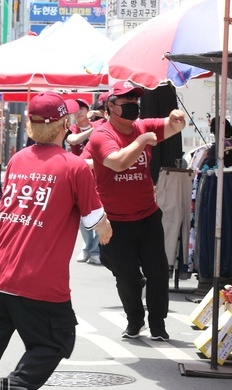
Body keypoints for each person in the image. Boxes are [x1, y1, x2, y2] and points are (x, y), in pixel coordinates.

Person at [0, 92, 112, 390]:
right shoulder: (74, 167)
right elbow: (97, 222)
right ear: (64, 125)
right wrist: (109, 231)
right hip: (39, 276)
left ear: (30, 124)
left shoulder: (18, 159)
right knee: (57, 339)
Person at [88, 81, 186, 341]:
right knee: (129, 278)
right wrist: (142, 141)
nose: (133, 106)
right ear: (110, 106)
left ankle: (157, 324)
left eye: (135, 101)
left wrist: (177, 119)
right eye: (126, 102)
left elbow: (172, 126)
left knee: (157, 272)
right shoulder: (101, 135)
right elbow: (119, 163)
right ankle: (135, 320)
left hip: (147, 216)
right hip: (115, 222)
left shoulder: (141, 126)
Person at [65, 98, 102, 265]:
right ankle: (87, 246)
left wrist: (99, 116)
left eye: (82, 108)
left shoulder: (101, 123)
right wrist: (92, 131)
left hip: (100, 176)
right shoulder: (73, 129)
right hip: (79, 175)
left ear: (89, 110)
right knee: (81, 214)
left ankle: (95, 250)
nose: (79, 112)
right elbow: (73, 140)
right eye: (76, 109)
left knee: (99, 213)